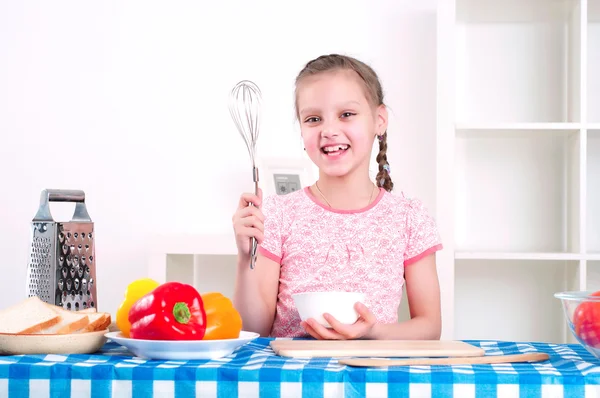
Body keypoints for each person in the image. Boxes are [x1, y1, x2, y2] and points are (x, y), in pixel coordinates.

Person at [232, 54, 443, 340]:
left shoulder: (408, 218)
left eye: (346, 114)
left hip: (370, 377)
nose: (329, 131)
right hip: (291, 374)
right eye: (314, 119)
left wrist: (372, 333)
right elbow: (252, 330)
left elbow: (429, 327)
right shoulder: (277, 214)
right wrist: (246, 260)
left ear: (379, 120)